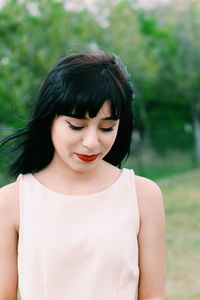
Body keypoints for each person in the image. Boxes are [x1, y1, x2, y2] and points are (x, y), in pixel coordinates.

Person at [0, 51, 165, 300]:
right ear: (50, 119)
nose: (91, 142)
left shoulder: (143, 196)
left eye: (107, 128)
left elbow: (153, 296)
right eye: (76, 126)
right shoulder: (11, 202)